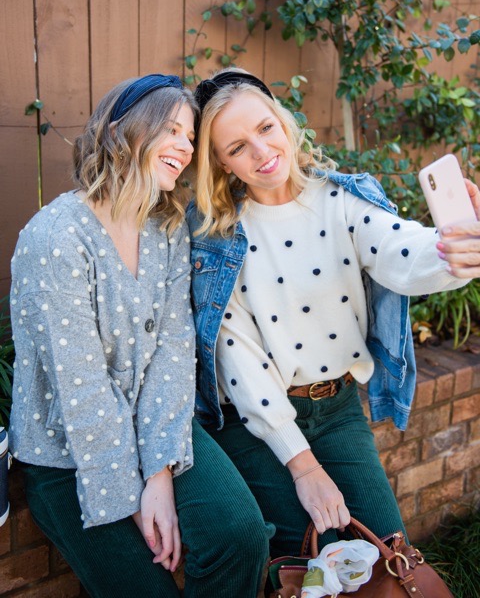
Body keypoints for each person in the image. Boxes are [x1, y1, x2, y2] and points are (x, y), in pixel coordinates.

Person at [187, 69, 480, 564]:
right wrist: (304, 468)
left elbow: (399, 250)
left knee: (389, 555)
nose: (261, 152)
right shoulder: (220, 239)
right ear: (218, 162)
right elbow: (239, 361)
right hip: (257, 419)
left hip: (339, 408)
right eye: (236, 147)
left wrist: (454, 250)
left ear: (283, 123)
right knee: (307, 564)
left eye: (265, 128)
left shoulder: (341, 200)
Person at [9, 74, 272, 598]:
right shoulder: (55, 238)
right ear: (122, 130)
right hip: (68, 457)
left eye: (192, 136)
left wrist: (160, 474)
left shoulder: (165, 229)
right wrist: (128, 497)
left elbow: (172, 354)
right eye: (172, 129)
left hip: (158, 425)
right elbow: (81, 389)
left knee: (240, 536)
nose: (186, 146)